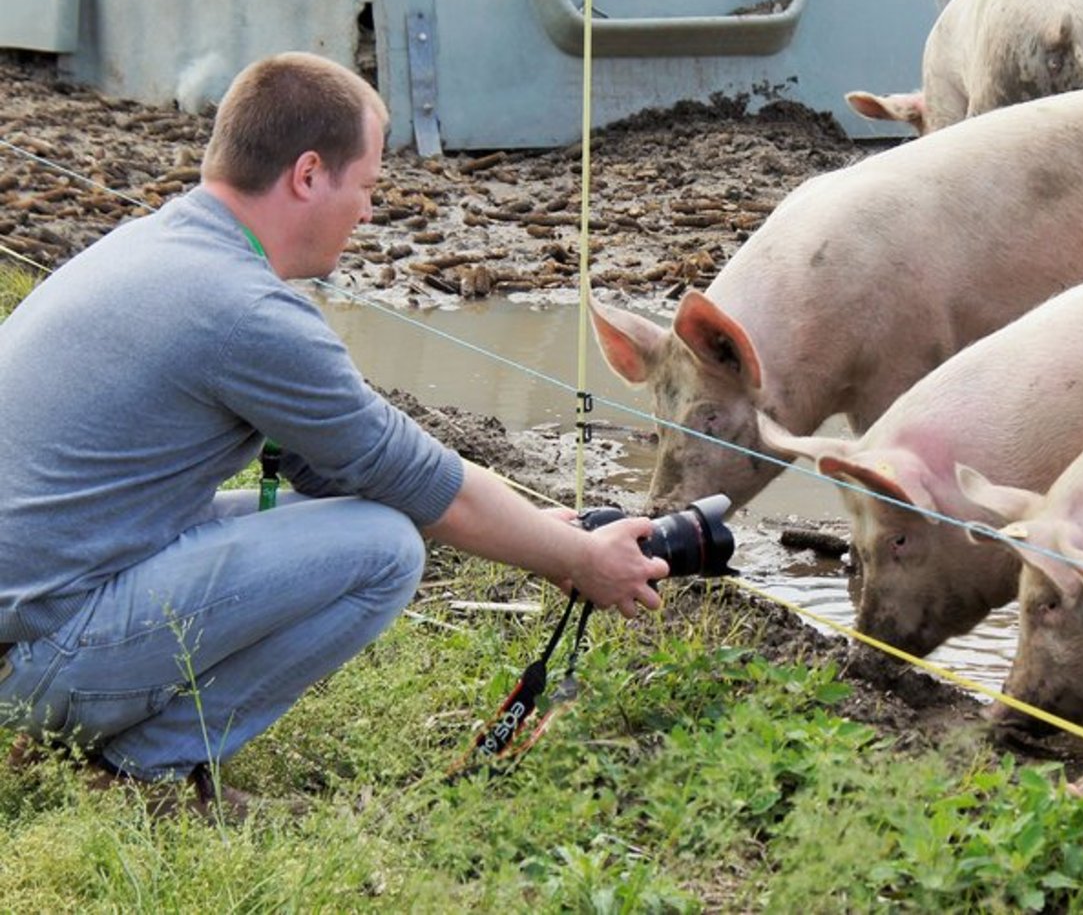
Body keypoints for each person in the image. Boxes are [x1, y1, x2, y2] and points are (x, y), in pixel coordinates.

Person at [0, 52, 667, 817]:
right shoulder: (244, 312)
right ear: (309, 174)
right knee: (382, 550)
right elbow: (411, 475)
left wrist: (535, 533)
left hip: (33, 615)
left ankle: (96, 737)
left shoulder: (161, 244)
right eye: (369, 187)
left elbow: (339, 468)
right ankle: (138, 774)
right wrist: (580, 557)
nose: (369, 214)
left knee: (361, 521)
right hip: (35, 657)